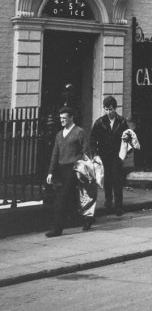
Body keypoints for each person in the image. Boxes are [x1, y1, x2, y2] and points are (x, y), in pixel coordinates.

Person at [45, 105, 88, 237]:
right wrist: (50, 172)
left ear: (71, 118)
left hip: (73, 169)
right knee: (72, 197)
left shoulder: (79, 132)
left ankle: (57, 229)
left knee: (62, 197)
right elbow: (55, 154)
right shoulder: (59, 134)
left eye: (64, 118)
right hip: (61, 169)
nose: (61, 120)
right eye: (60, 118)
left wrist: (78, 165)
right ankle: (87, 219)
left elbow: (85, 152)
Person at [90, 96, 129, 216]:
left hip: (116, 156)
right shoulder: (100, 122)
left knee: (117, 179)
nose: (108, 112)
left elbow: (128, 137)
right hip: (104, 155)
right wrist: (95, 154)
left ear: (115, 108)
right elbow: (92, 139)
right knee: (107, 179)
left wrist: (125, 148)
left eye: (110, 109)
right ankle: (108, 201)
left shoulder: (122, 121)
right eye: (106, 109)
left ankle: (119, 206)